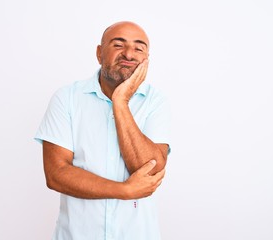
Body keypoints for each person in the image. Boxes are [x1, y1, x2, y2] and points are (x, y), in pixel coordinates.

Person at [35, 21, 171, 240]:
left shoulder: (155, 102)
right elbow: (56, 174)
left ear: (147, 59)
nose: (129, 53)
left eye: (139, 48)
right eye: (118, 44)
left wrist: (120, 101)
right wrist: (124, 190)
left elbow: (150, 169)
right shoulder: (67, 98)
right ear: (99, 53)